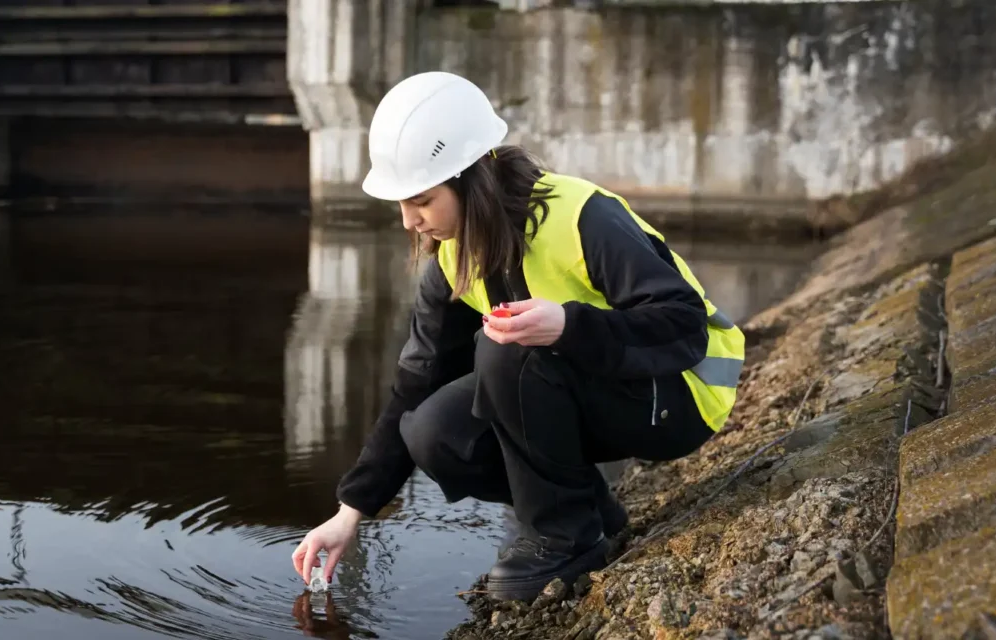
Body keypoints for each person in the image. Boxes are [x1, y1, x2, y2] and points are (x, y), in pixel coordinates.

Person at [291, 71, 745, 602]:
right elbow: (414, 385)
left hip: (682, 392)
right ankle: (589, 514)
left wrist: (570, 326)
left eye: (422, 200)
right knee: (432, 431)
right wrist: (351, 512)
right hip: (605, 387)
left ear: (472, 176)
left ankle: (562, 539)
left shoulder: (581, 216)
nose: (409, 221)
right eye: (401, 203)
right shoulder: (453, 256)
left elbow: (682, 322)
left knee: (504, 352)